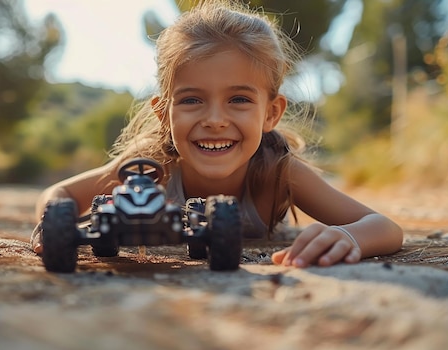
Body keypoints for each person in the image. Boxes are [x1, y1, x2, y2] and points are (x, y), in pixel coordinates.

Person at [32, 0, 403, 268]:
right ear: (164, 113)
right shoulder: (149, 168)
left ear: (271, 113)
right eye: (192, 99)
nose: (215, 120)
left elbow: (384, 227)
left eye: (239, 99)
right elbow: (61, 194)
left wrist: (349, 236)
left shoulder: (278, 172)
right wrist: (51, 224)